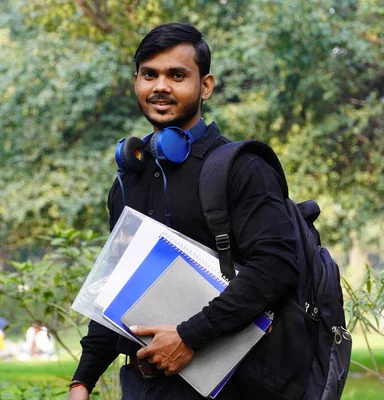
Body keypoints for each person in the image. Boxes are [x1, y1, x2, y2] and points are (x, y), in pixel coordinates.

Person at [69, 23, 300, 400]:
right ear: (136, 82)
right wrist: (83, 381)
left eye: (177, 75)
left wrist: (189, 336)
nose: (160, 86)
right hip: (143, 388)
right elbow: (117, 286)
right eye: (150, 74)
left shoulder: (241, 168)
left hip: (232, 386)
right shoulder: (131, 176)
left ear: (205, 86)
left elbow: (275, 267)